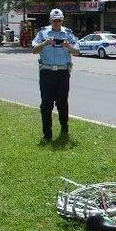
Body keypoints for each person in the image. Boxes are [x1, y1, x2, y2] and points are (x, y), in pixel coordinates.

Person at [31, 8, 80, 141]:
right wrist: (45, 43)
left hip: (63, 73)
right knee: (46, 104)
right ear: (50, 20)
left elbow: (77, 51)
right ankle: (47, 134)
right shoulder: (43, 33)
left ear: (62, 20)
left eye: (59, 20)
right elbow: (34, 50)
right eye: (54, 20)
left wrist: (68, 46)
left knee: (62, 103)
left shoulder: (68, 34)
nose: (57, 23)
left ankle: (64, 128)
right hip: (46, 73)